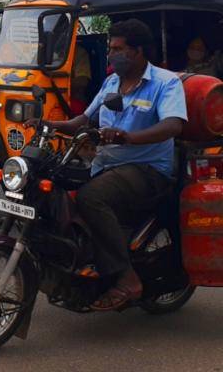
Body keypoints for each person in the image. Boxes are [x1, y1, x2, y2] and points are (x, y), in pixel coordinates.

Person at [26, 19, 187, 311]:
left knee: (91, 197)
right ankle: (78, 261)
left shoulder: (165, 82)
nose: (111, 54)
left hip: (148, 169)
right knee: (52, 188)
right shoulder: (112, 82)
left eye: (118, 49)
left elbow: (173, 125)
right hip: (107, 164)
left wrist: (129, 137)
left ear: (138, 51)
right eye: (111, 48)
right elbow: (82, 121)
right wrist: (49, 124)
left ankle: (127, 278)